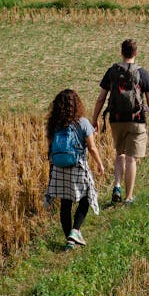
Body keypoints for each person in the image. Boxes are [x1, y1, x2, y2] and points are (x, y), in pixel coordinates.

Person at [92, 39, 149, 205]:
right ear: (136, 53)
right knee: (131, 158)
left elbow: (101, 98)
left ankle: (116, 186)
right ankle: (128, 197)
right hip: (136, 120)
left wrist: (94, 120)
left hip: (116, 119)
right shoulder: (142, 73)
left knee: (119, 154)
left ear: (121, 52)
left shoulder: (112, 71)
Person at [45, 88, 104, 251]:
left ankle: (69, 241)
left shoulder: (53, 124)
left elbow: (50, 147)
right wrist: (99, 163)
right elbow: (91, 147)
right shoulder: (83, 123)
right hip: (77, 166)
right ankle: (75, 230)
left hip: (58, 168)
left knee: (65, 203)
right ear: (77, 105)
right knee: (87, 197)